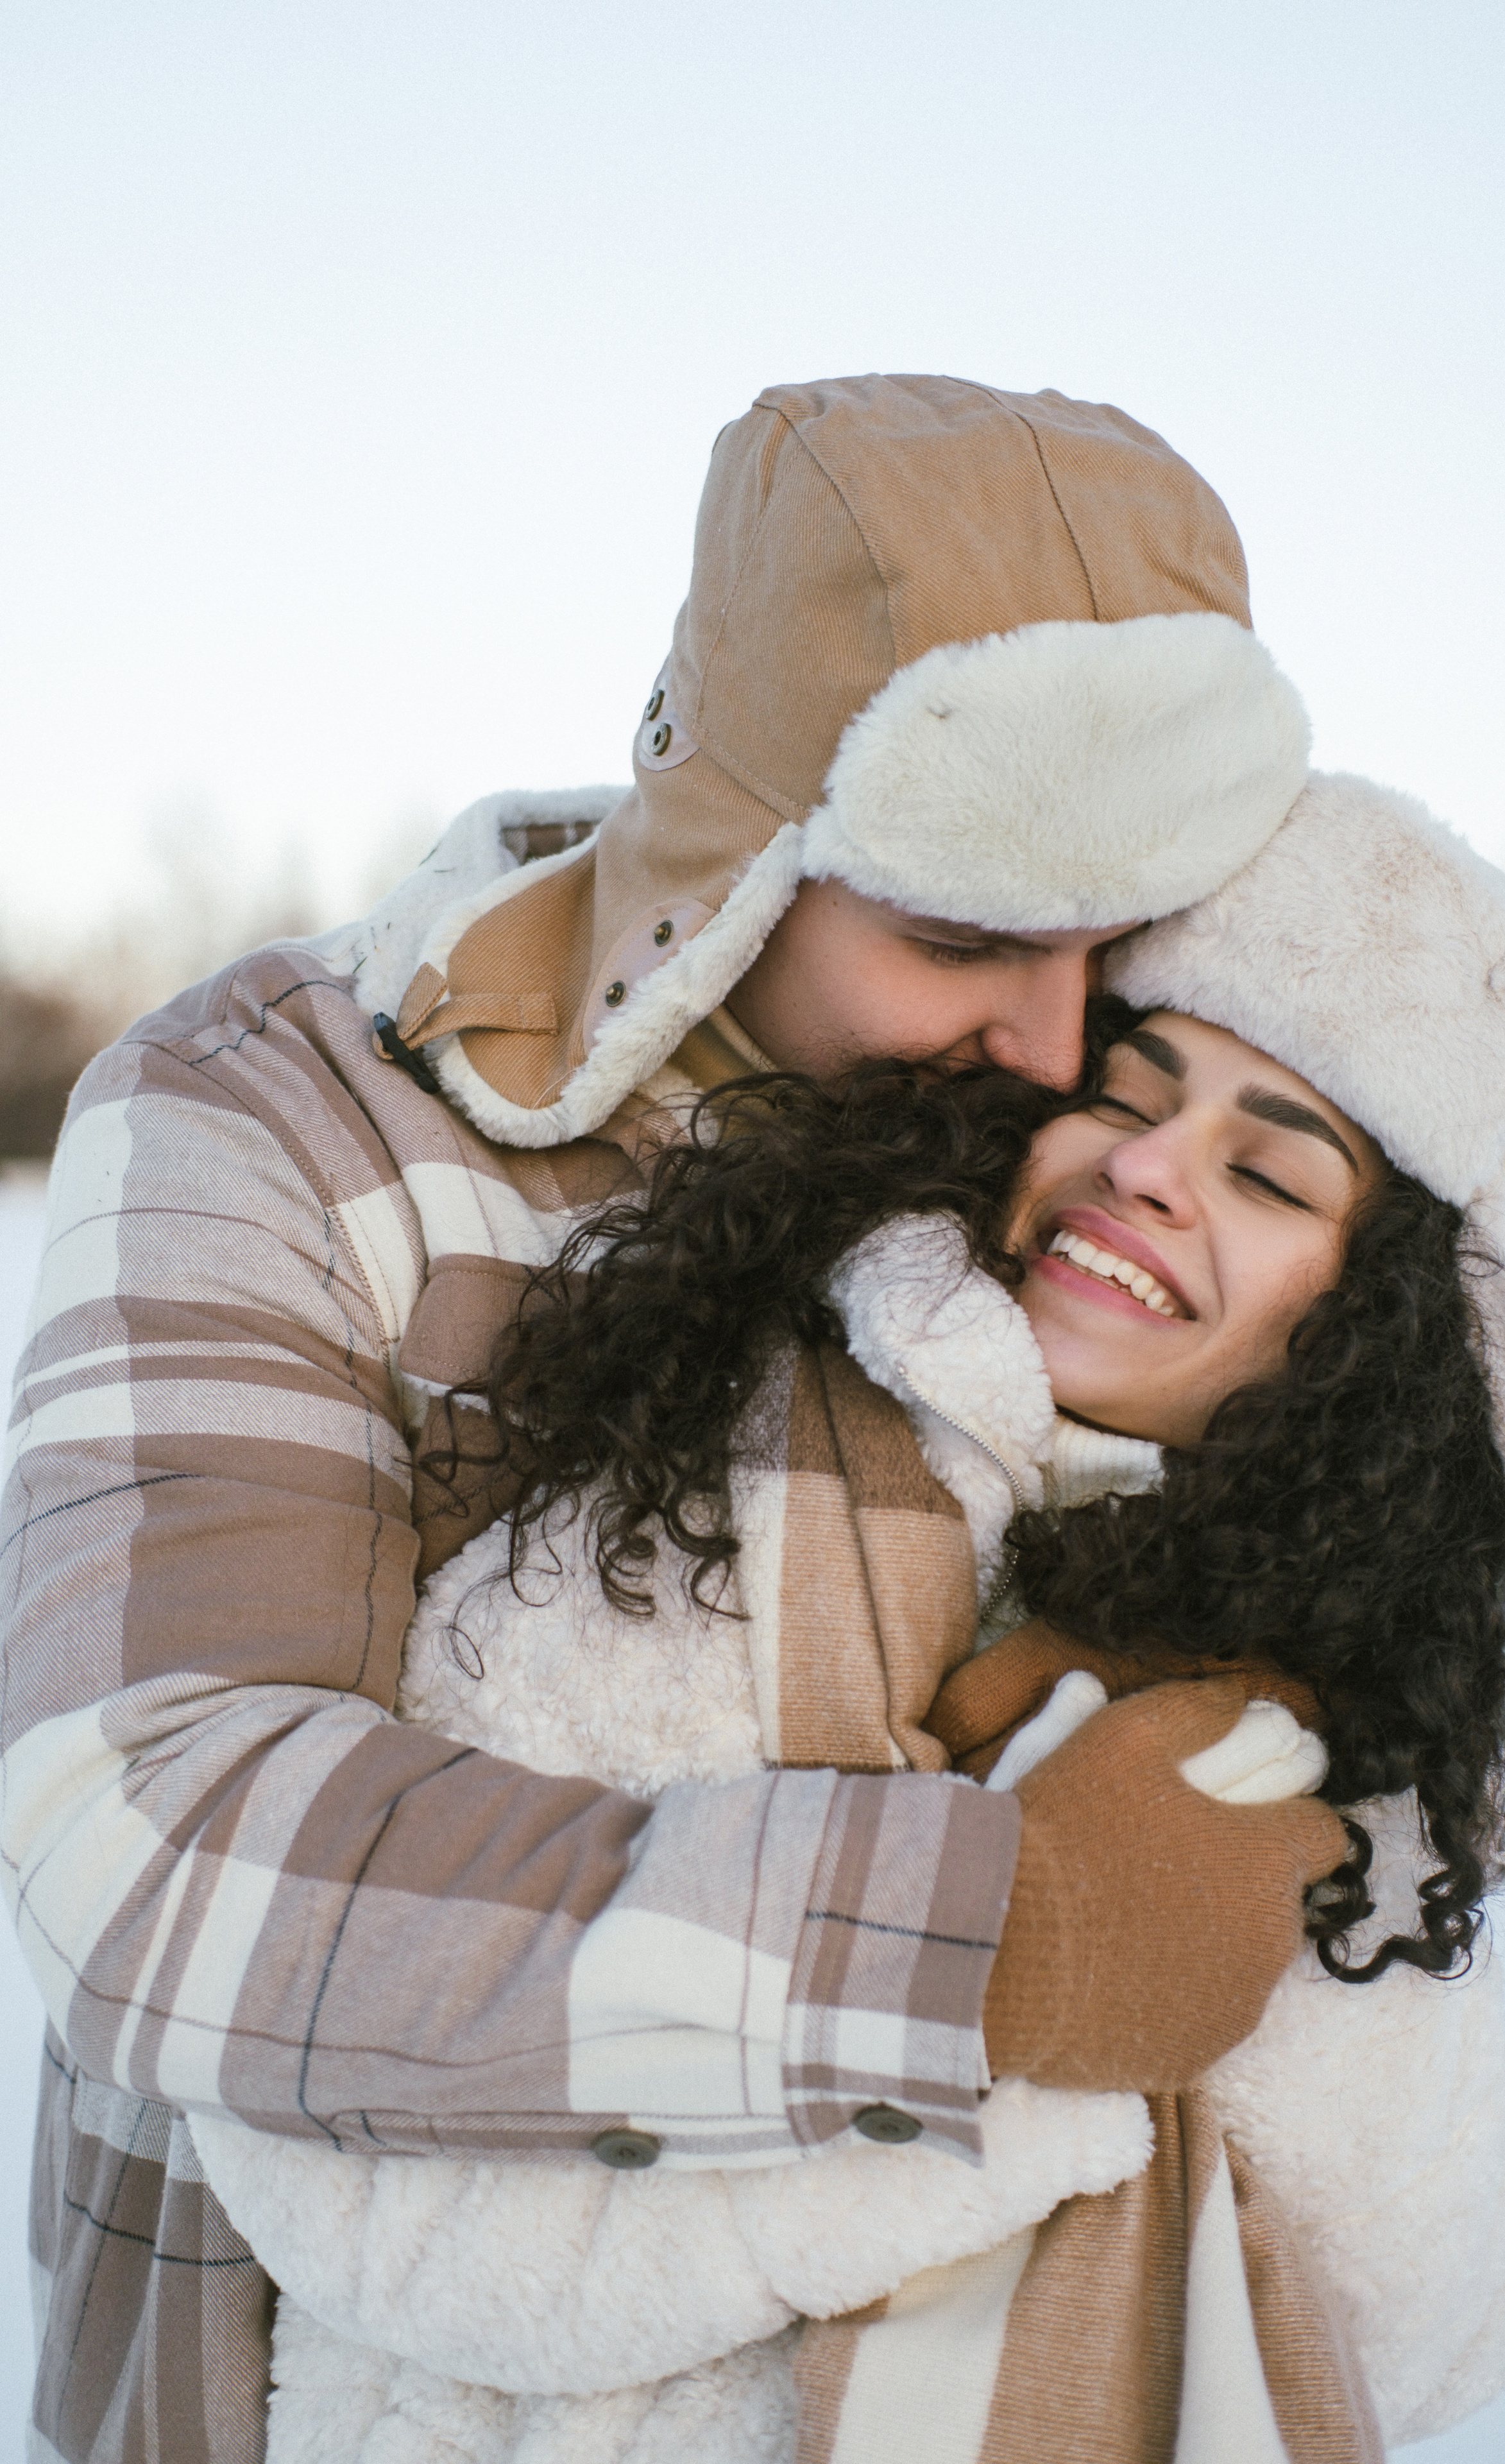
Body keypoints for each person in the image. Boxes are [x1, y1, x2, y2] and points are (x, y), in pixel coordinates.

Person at [1, 375, 1323, 2462]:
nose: (1057, 1041)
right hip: (314, 2389)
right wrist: (1003, 1945)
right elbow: (162, 1841)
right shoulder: (281, 1113)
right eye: (964, 934)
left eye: (1121, 943)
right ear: (741, 852)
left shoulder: (1075, 1149)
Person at [190, 772, 1505, 2462]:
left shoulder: (1327, 1732)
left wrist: (1270, 1950)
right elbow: (371, 2200)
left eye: (1267, 1175)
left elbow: (1459, 2310)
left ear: (1378, 1338)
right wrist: (1011, 2021)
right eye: (1129, 1089)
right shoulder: (714, 1498)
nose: (1153, 1168)